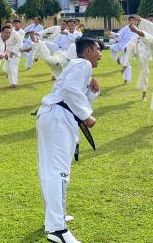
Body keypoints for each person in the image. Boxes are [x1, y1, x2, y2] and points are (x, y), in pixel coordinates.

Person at [36, 37, 101, 243]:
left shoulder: (76, 66)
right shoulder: (83, 64)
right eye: (99, 50)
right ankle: (57, 230)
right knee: (58, 172)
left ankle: (55, 217)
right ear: (89, 50)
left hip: (52, 116)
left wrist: (91, 92)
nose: (100, 55)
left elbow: (71, 92)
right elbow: (69, 91)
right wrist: (87, 116)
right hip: (57, 118)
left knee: (50, 170)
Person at [106, 16, 137, 84]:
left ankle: (126, 79)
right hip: (121, 43)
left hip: (128, 45)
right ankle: (117, 58)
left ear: (135, 21)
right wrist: (111, 33)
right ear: (128, 21)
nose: (131, 21)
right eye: (130, 20)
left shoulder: (136, 30)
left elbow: (137, 40)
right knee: (111, 47)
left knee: (126, 60)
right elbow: (119, 35)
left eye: (132, 20)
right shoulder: (125, 28)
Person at [6, 19, 25, 88]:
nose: (8, 27)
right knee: (8, 69)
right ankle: (11, 82)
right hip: (7, 53)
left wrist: (13, 52)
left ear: (11, 25)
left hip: (15, 53)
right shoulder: (5, 33)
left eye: (9, 25)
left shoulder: (15, 33)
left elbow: (20, 43)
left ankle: (14, 83)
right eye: (7, 26)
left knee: (13, 68)